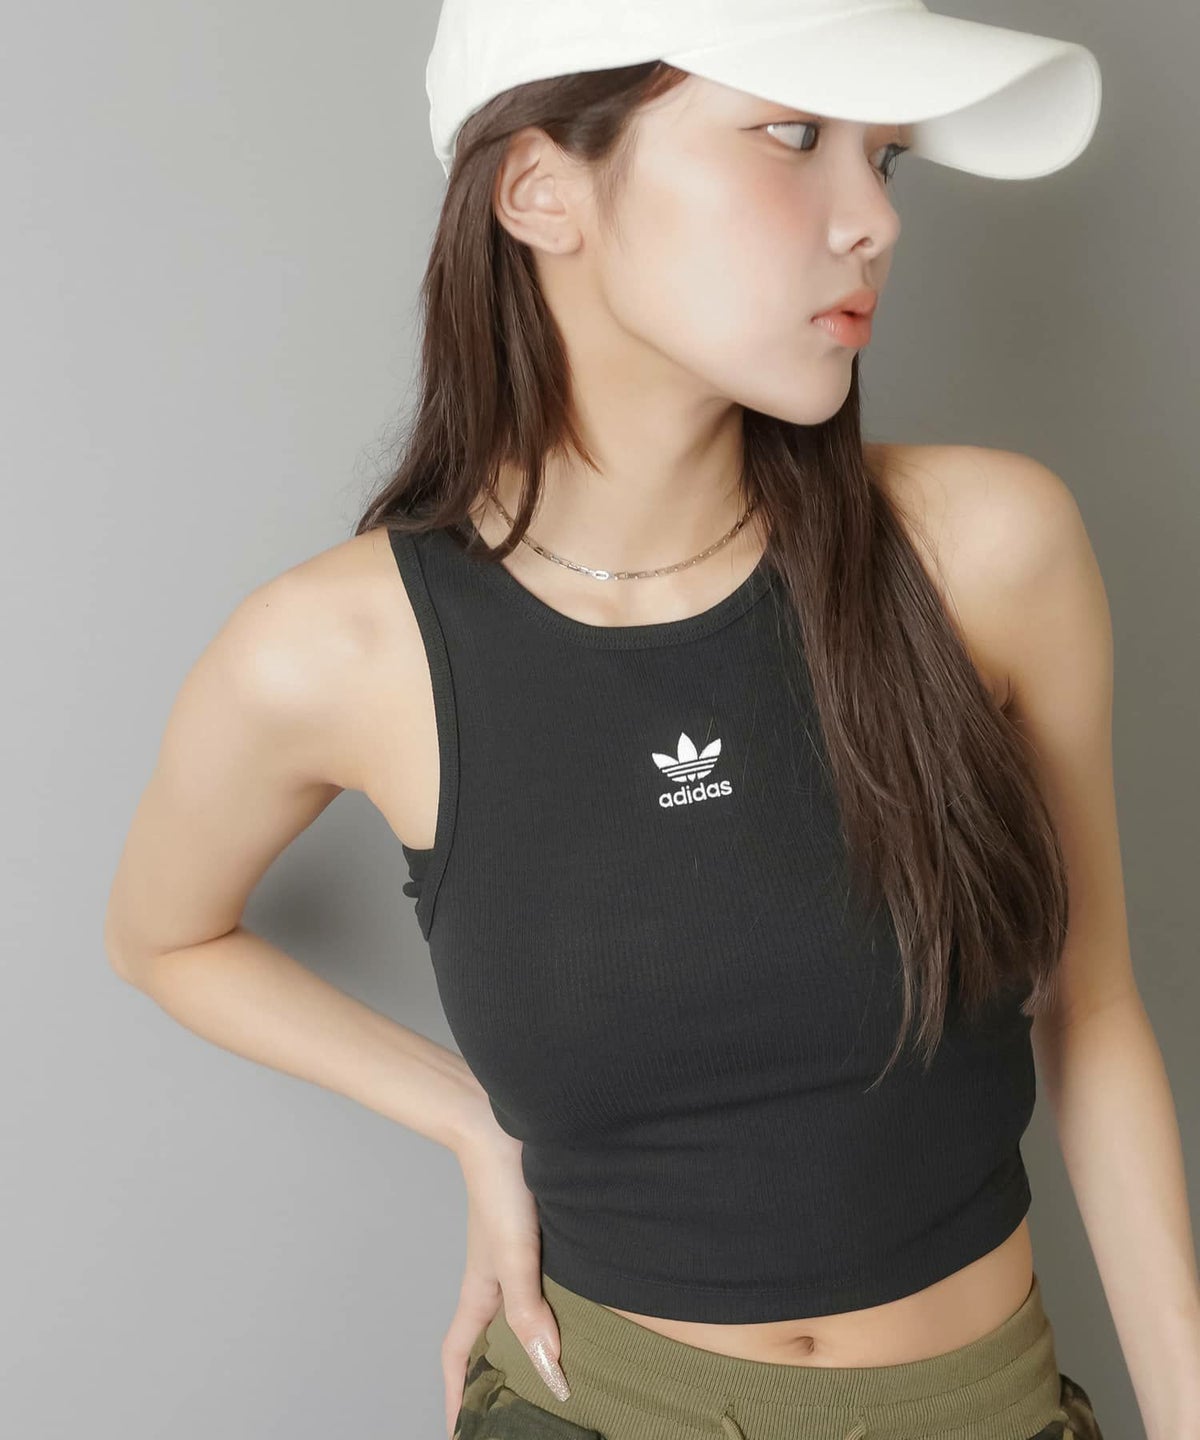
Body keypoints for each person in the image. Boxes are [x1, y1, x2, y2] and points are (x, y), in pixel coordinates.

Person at [104, 2, 1200, 1437]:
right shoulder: (339, 650)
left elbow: (1094, 1010)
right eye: (793, 135)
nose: (874, 218)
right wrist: (469, 1117)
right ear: (540, 189)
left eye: (886, 159)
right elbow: (161, 935)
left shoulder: (987, 550)